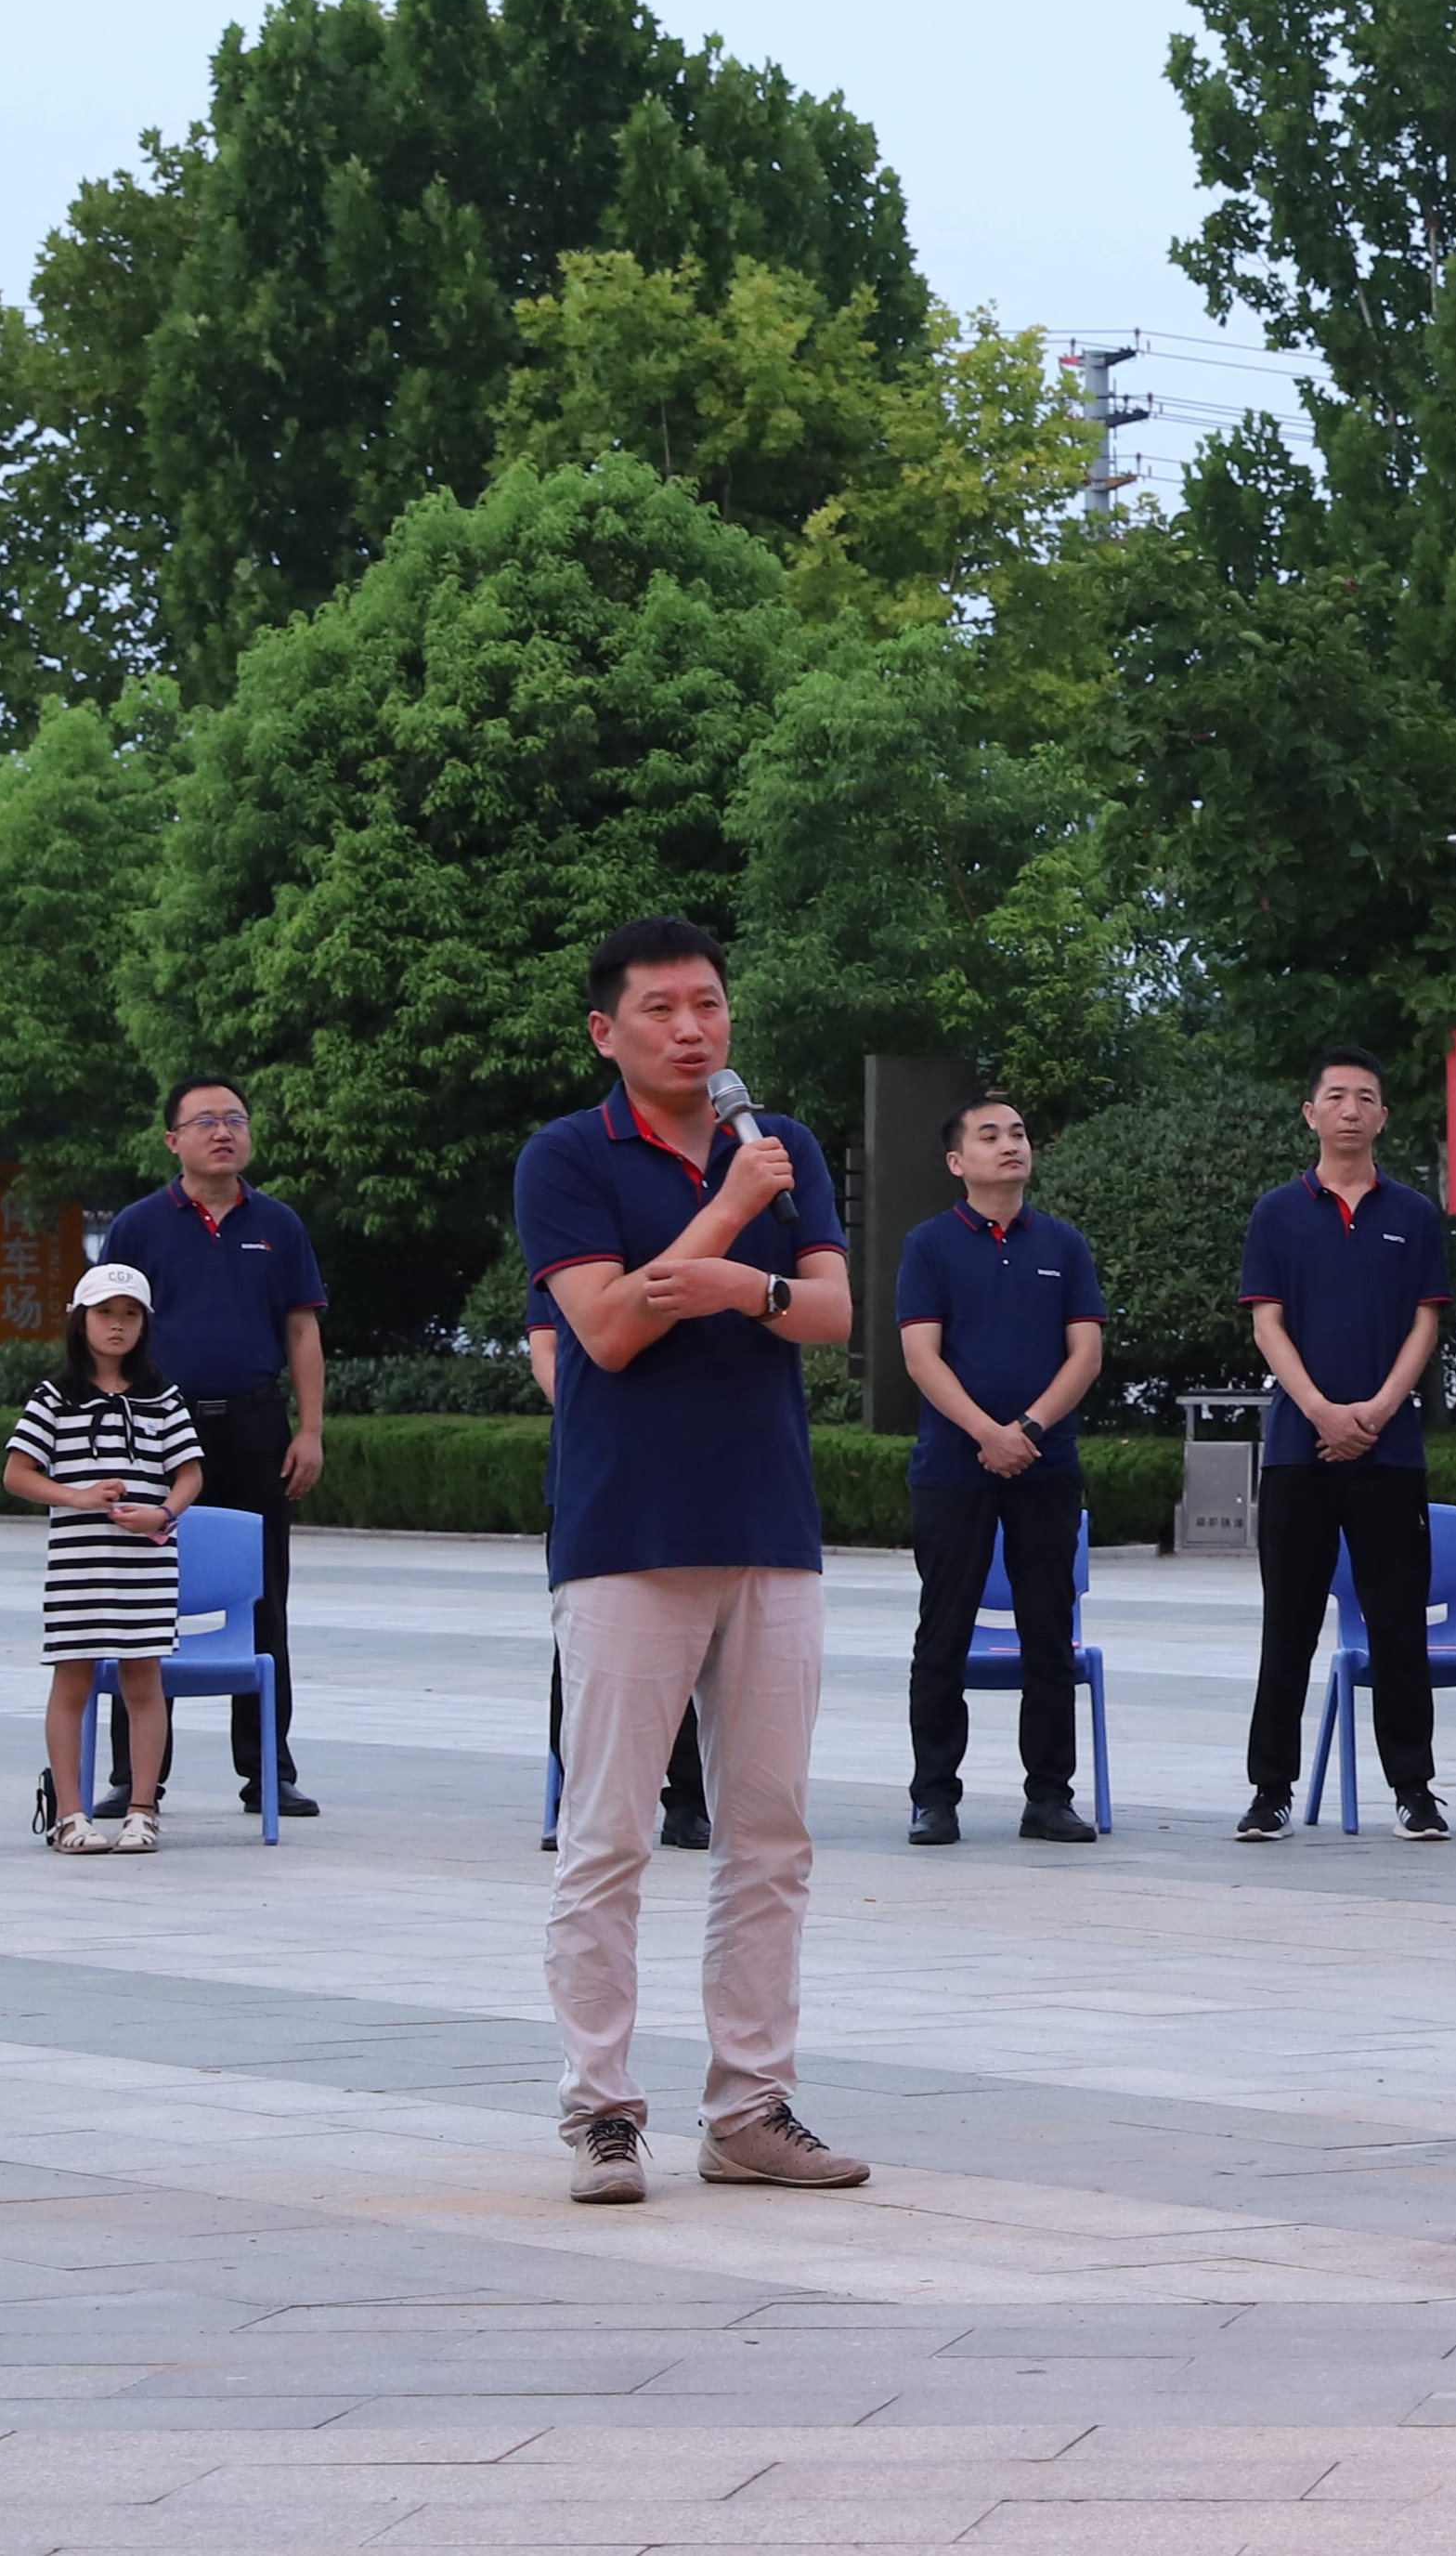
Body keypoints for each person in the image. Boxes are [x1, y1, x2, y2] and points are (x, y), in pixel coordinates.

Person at [514, 915, 867, 2207]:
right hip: (627, 1533)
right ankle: (601, 2111)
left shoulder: (785, 1146)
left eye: (708, 1002)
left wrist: (741, 1287)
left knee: (769, 1834)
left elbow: (831, 1311)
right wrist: (726, 1221)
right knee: (608, 1835)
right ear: (605, 1031)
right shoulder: (567, 1156)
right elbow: (606, 1331)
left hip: (768, 1523)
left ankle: (750, 2107)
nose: (691, 1028)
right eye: (661, 1008)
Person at [92, 1079, 327, 1819]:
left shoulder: (278, 1224)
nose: (223, 1132)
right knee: (139, 1598)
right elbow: (105, 1333)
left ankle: (267, 1770)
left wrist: (310, 1429)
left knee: (263, 1597)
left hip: (255, 1427)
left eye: (235, 1119)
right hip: (159, 1428)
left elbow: (301, 1330)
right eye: (205, 1122)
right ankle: (135, 1777)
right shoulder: (137, 1227)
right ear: (173, 1140)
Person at [1236, 1048, 1450, 1843]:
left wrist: (1379, 1410)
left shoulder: (1414, 1214)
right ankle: (1270, 1790)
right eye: (1336, 1097)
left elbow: (1426, 1321)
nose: (1351, 1109)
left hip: (1390, 1452)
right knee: (1288, 1624)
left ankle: (1415, 1789)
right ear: (1311, 1114)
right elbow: (1267, 1324)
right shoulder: (1277, 1213)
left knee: (1399, 1625)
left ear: (1383, 1117)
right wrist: (1322, 1412)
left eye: (1366, 1097)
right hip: (1300, 1449)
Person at [890, 1093, 1107, 1847]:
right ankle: (934, 1798)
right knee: (943, 1634)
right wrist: (987, 1433)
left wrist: (1029, 1430)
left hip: (1046, 1466)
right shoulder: (928, 1245)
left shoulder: (1064, 1244)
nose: (1010, 1144)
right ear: (958, 1162)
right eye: (990, 1135)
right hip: (954, 1468)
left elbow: (1086, 1353)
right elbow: (921, 1357)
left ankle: (1049, 1796)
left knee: (1049, 1634)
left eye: (1017, 1133)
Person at [6, 1264, 200, 1857]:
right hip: (78, 1567)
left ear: (144, 1324)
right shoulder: (53, 1397)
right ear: (80, 1320)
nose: (117, 1325)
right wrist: (79, 1497)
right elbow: (17, 1474)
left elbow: (190, 1474)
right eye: (105, 1313)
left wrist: (162, 1514)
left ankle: (143, 1810)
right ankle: (70, 1814)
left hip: (146, 1567)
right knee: (74, 1681)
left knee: (144, 1682)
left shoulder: (163, 1397)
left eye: (130, 1314)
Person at [530, 1288, 707, 1855]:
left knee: (693, 1637)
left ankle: (690, 1799)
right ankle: (574, 1801)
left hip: (690, 1471)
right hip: (595, 1473)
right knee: (582, 1648)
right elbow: (545, 1350)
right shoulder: (574, 1259)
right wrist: (594, 1409)